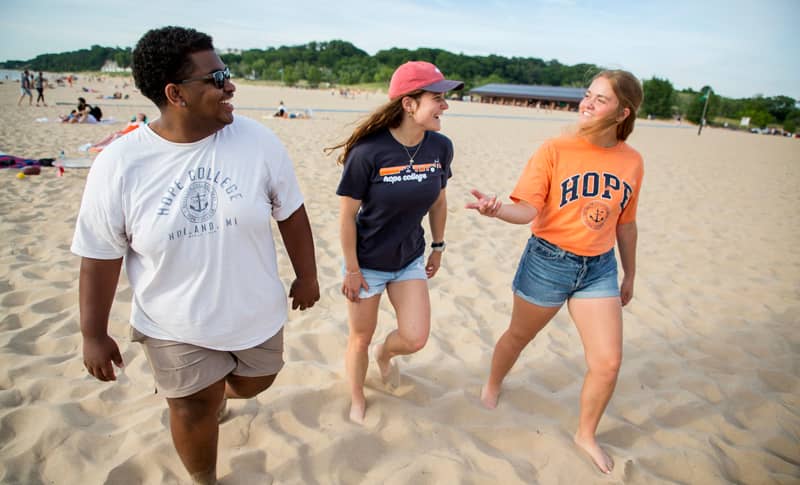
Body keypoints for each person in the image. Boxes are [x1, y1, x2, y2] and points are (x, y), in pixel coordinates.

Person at [71, 26, 320, 484]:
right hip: (173, 321)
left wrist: (308, 275)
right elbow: (99, 255)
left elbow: (292, 212)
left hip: (255, 311)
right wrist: (93, 333)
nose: (231, 85)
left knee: (254, 383)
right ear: (176, 94)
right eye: (217, 76)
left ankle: (218, 390)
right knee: (192, 407)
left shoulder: (258, 141)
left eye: (226, 72)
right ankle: (203, 478)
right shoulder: (121, 164)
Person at [466, 70, 644, 475]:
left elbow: (626, 223)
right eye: (588, 95)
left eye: (601, 99)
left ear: (623, 112)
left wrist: (629, 274)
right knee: (518, 336)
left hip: (599, 268)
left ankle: (585, 434)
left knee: (608, 362)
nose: (587, 104)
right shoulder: (555, 149)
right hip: (548, 260)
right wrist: (496, 209)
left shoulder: (632, 161)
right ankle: (493, 383)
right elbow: (527, 209)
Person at [328, 61, 462, 423]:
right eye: (437, 98)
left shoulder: (440, 147)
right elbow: (345, 218)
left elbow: (438, 201)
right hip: (367, 262)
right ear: (409, 103)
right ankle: (357, 397)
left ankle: (384, 355)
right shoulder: (368, 153)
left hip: (409, 259)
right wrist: (352, 270)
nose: (445, 106)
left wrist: (438, 246)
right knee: (360, 335)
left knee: (415, 337)